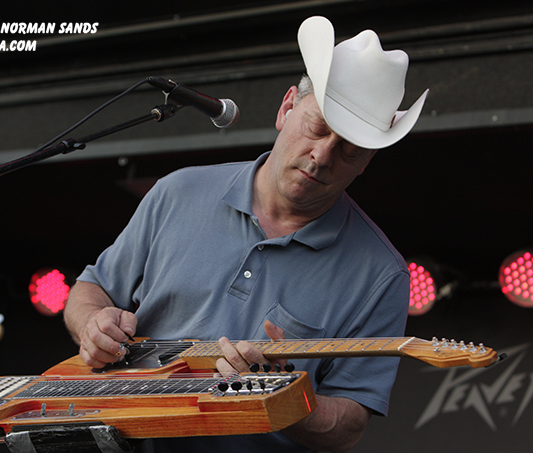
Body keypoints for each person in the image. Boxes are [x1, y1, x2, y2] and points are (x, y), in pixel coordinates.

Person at [64, 16, 429, 453]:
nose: (321, 155)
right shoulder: (178, 191)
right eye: (317, 127)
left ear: (368, 161)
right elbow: (92, 288)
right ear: (287, 107)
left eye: (349, 150)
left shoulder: (382, 275)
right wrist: (93, 325)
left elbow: (348, 426)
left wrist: (280, 396)